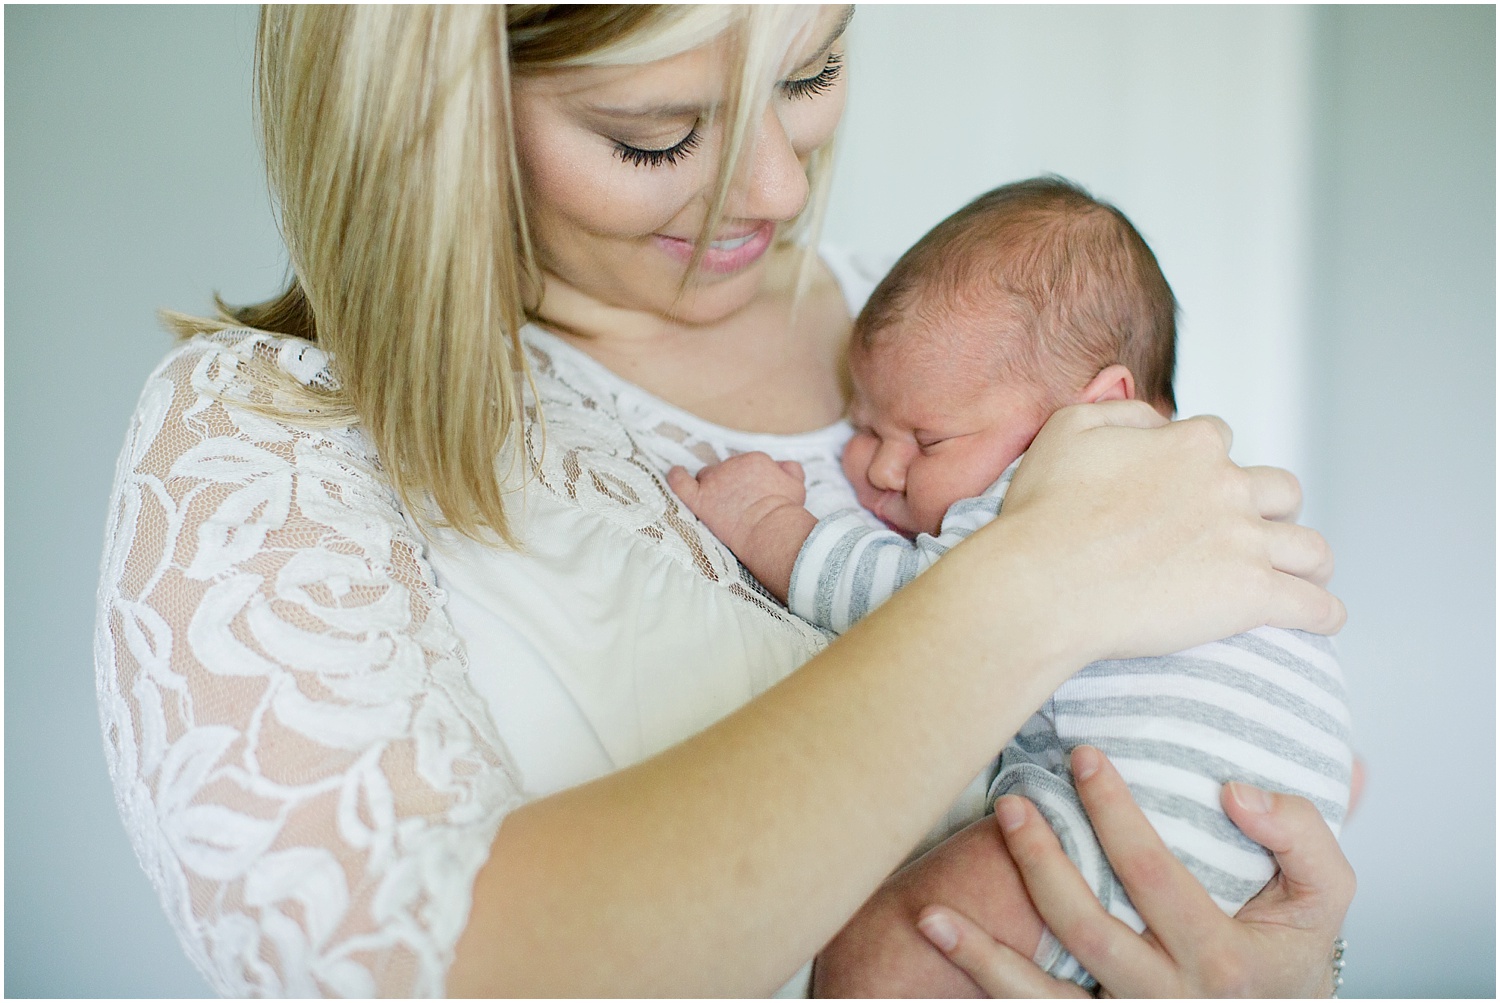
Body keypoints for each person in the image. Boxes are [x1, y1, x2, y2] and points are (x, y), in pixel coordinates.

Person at [93, 6, 1352, 997]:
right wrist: (1026, 588)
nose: (779, 192)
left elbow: (1222, 732)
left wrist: (1282, 967)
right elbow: (393, 969)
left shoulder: (952, 354)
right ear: (434, 102)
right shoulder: (271, 433)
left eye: (810, 74)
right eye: (658, 133)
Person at [668, 176, 1353, 995]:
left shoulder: (1065, 475)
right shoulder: (1199, 495)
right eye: (864, 428)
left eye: (927, 438)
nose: (880, 467)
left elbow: (918, 611)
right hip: (1255, 845)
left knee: (886, 953)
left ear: (1095, 404)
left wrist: (770, 523)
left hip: (1138, 821)